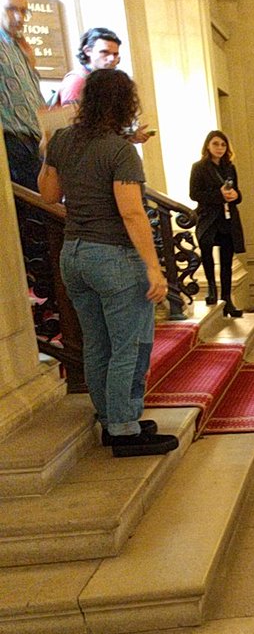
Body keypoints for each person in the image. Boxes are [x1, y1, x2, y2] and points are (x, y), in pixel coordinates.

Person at [38, 69, 178, 458]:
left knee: (97, 343)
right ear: (123, 105)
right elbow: (132, 213)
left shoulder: (63, 139)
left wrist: (45, 152)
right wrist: (154, 267)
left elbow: (48, 195)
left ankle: (112, 416)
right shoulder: (119, 151)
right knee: (129, 345)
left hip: (75, 256)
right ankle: (123, 428)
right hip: (114, 256)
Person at [189, 129, 245, 317]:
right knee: (206, 252)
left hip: (227, 218)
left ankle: (227, 298)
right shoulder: (199, 167)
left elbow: (237, 193)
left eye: (223, 144)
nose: (220, 148)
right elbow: (194, 194)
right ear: (207, 145)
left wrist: (235, 196)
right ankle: (212, 290)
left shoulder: (230, 167)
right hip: (208, 217)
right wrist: (218, 196)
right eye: (215, 144)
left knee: (227, 259)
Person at [1, 0, 43, 189]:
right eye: (11, 9)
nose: (19, 17)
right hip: (12, 141)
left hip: (33, 142)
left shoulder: (19, 46)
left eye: (24, 11)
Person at [56, 27, 122, 105]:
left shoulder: (108, 78)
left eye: (115, 54)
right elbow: (70, 116)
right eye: (105, 52)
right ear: (87, 51)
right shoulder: (77, 80)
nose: (111, 58)